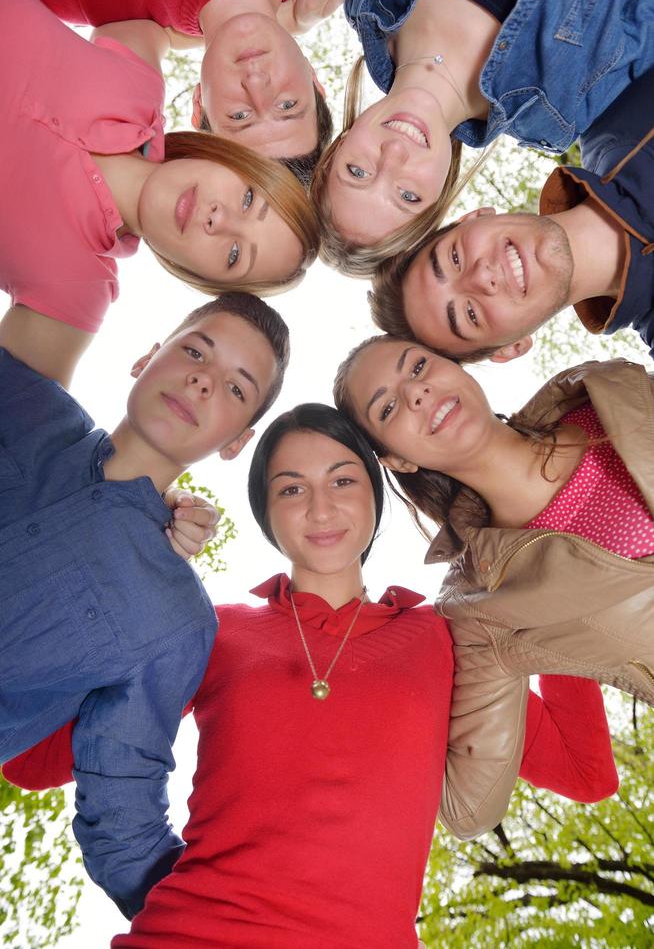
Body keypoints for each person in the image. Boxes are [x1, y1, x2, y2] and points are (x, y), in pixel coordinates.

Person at [3, 404, 618, 946]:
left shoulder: (444, 636)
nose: (321, 507)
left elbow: (582, 769)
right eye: (291, 489)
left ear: (376, 496)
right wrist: (132, 562)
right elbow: (32, 759)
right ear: (267, 515)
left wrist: (550, 598)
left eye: (343, 480)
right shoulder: (208, 629)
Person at [0, 291, 290, 920]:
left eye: (237, 390)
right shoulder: (25, 404)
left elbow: (125, 827)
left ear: (237, 442)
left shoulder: (175, 622)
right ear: (145, 358)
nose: (202, 382)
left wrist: (243, 923)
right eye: (195, 351)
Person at [334, 337, 654, 838]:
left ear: (455, 366)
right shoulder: (483, 609)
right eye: (389, 406)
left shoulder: (604, 387)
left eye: (418, 366)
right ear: (396, 460)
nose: (417, 393)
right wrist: (367, 655)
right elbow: (468, 809)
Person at [0, 0, 319, 387]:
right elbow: (161, 31)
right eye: (248, 198)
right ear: (229, 158)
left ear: (197, 276)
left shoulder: (75, 290)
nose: (219, 220)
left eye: (235, 253)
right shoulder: (139, 85)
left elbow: (16, 421)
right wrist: (282, 21)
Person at [310, 0, 654, 275]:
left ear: (339, 145)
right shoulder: (557, 113)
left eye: (357, 172)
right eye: (407, 195)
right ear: (439, 196)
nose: (394, 155)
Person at [369, 65, 654, 362]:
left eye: (454, 258)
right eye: (470, 315)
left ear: (474, 217)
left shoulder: (617, 97)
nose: (480, 276)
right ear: (512, 347)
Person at [0, 0, 349, 176]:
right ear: (315, 81)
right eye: (287, 106)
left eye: (239, 115)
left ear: (199, 104)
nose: (256, 83)